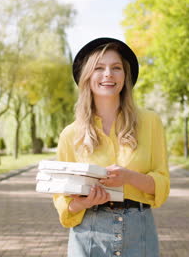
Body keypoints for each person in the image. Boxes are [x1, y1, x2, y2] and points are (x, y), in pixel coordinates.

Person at [53, 37, 170, 257]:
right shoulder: (70, 134)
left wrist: (128, 177)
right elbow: (62, 199)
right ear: (87, 77)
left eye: (116, 68)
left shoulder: (150, 122)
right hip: (88, 233)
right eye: (99, 68)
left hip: (140, 232)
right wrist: (82, 203)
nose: (108, 74)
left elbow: (162, 184)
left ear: (125, 76)